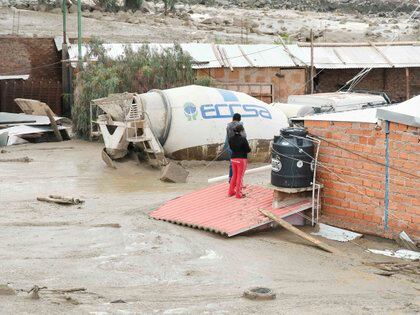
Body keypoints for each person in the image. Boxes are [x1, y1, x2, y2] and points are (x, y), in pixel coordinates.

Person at [228, 124, 251, 199]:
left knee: (234, 175)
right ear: (241, 131)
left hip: (233, 158)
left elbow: (231, 148)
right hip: (241, 159)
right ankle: (238, 194)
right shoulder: (243, 139)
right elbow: (248, 150)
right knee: (240, 177)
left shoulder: (230, 139)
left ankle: (231, 192)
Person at [225, 113, 246, 182]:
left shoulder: (228, 125)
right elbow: (244, 136)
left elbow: (228, 136)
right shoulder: (240, 125)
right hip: (239, 148)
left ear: (233, 118)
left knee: (232, 164)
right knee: (240, 165)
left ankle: (231, 180)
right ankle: (238, 181)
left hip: (230, 146)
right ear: (239, 119)